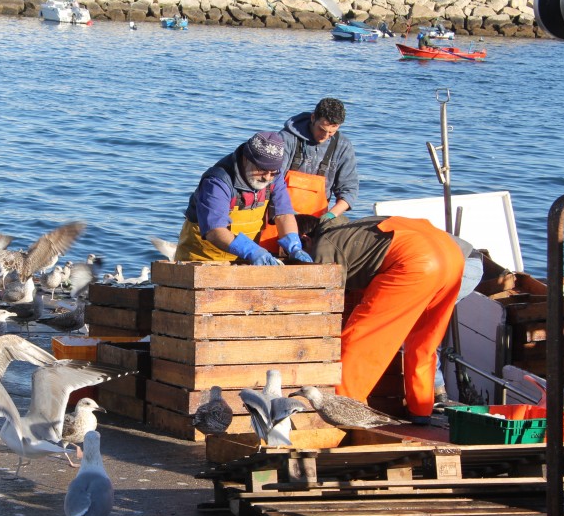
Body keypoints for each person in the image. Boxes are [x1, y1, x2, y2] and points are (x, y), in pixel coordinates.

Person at [296, 214, 466, 424]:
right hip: (452, 256)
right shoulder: (351, 229)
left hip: (416, 261)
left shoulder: (323, 245)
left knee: (361, 340)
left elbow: (322, 303)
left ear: (305, 239)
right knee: (424, 343)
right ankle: (421, 412)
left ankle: (345, 411)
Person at [174, 131, 311, 265]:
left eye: (273, 173)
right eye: (262, 170)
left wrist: (294, 247)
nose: (267, 177)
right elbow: (214, 231)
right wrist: (252, 251)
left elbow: (284, 214)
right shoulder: (218, 182)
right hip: (202, 260)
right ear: (246, 159)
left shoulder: (274, 176)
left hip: (243, 261)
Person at [277, 98, 358, 232]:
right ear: (313, 117)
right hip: (281, 214)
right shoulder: (286, 138)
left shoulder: (343, 146)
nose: (325, 136)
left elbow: (349, 190)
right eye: (322, 129)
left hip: (316, 223)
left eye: (332, 132)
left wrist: (331, 216)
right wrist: (288, 213)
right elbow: (273, 179)